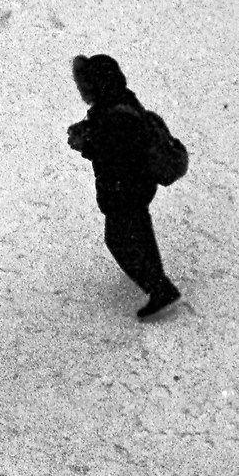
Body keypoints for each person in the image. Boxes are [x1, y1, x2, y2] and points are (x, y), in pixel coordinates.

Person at [67, 54, 184, 316]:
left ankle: (159, 288)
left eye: (83, 86)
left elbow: (114, 153)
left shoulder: (114, 115)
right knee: (140, 234)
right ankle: (159, 284)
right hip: (135, 187)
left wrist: (86, 143)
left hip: (124, 190)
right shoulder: (117, 103)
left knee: (117, 240)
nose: (81, 91)